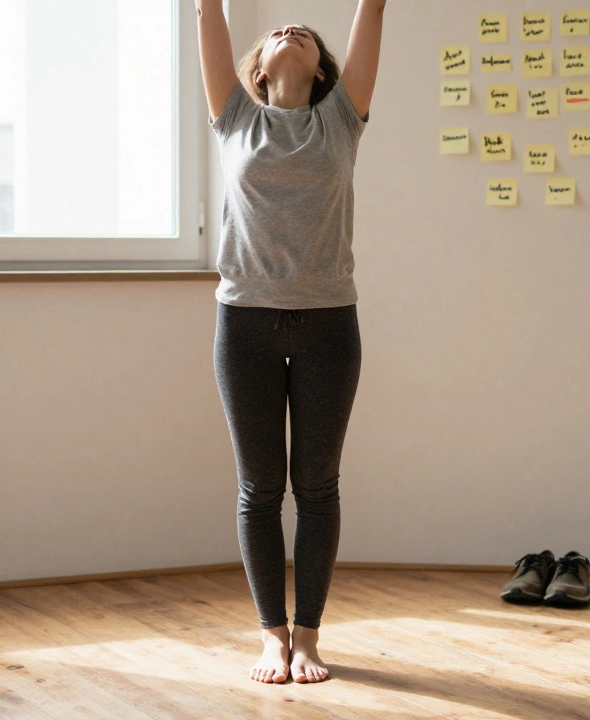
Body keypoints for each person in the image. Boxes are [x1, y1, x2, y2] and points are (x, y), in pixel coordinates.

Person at [196, 0, 386, 685]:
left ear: (322, 70)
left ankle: (308, 636)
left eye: (304, 34)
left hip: (329, 322)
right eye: (279, 30)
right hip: (243, 321)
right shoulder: (235, 119)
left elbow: (373, 12)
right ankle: (270, 637)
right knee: (259, 489)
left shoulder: (341, 121)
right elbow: (208, 15)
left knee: (317, 486)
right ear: (260, 70)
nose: (289, 30)